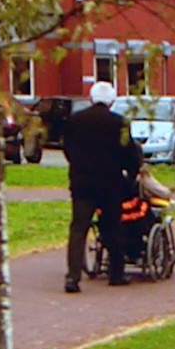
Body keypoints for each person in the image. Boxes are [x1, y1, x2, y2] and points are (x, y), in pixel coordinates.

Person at [61, 80, 143, 291]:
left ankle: (72, 277)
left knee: (78, 228)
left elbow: (67, 148)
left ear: (90, 98)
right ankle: (116, 274)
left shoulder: (75, 120)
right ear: (112, 102)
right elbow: (129, 154)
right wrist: (130, 175)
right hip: (109, 184)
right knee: (112, 227)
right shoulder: (119, 123)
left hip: (81, 183)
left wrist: (78, 165)